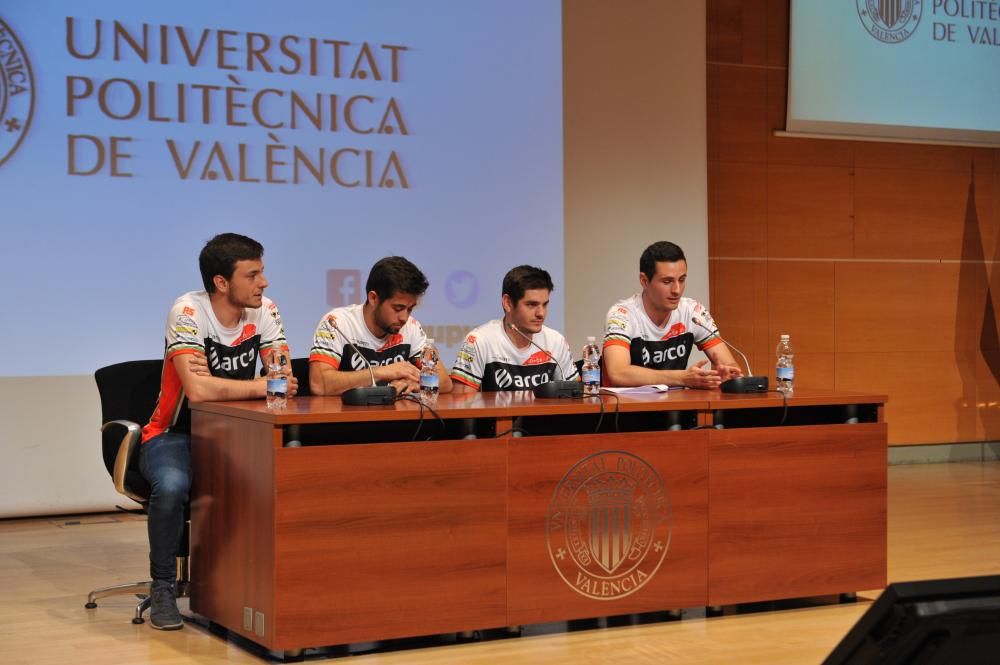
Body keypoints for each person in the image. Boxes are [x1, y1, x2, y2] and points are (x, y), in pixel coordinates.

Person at [139, 233, 297, 630]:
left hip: (238, 432)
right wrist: (261, 386)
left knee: (276, 484)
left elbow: (286, 379)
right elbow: (199, 391)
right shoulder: (188, 311)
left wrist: (266, 383)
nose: (264, 283)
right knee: (173, 487)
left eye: (262, 273)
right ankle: (163, 587)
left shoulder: (265, 310)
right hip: (175, 433)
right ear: (221, 283)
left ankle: (231, 587)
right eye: (253, 274)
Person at [603, 241, 743, 389]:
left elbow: (729, 364)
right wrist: (682, 378)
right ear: (644, 281)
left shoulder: (693, 312)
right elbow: (618, 373)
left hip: (675, 405)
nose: (677, 290)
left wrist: (727, 374)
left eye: (682, 280)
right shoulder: (622, 314)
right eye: (667, 281)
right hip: (627, 408)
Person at [309, 256, 451, 395]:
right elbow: (319, 384)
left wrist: (418, 383)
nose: (404, 318)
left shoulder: (411, 328)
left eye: (410, 308)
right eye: (398, 308)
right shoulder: (337, 323)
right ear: (373, 298)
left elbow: (445, 382)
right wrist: (379, 373)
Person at [451, 265, 578, 392]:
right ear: (508, 303)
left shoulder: (555, 341)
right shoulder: (479, 340)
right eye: (531, 305)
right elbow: (462, 401)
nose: (541, 313)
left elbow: (575, 396)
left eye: (544, 305)